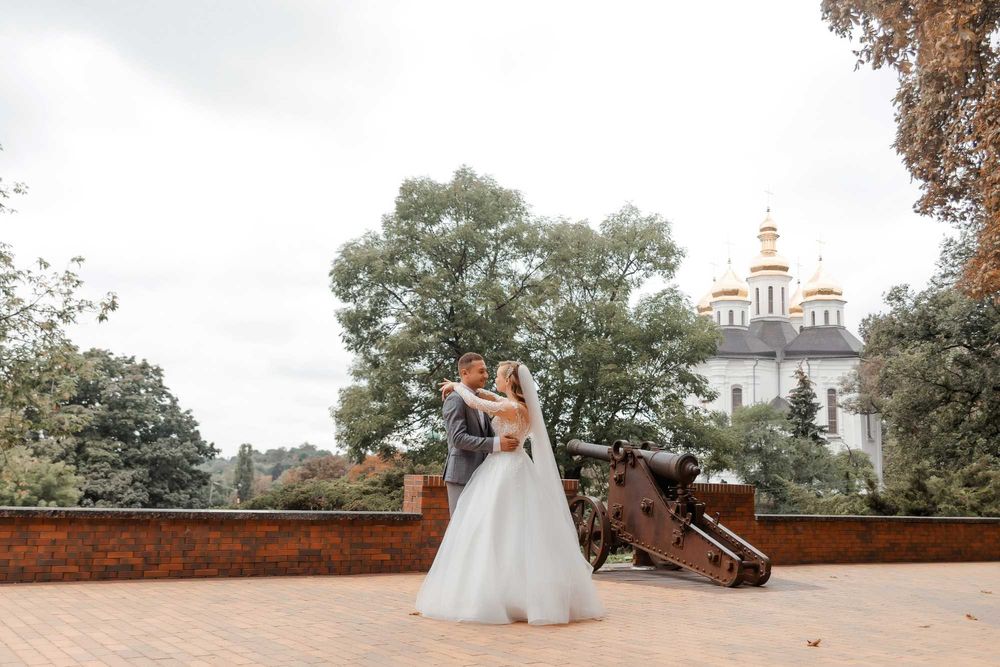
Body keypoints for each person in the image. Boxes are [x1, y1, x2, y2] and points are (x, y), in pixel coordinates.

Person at [415, 359, 606, 625]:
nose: (492, 378)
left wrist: (458, 386)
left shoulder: (508, 407)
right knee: (518, 531)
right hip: (517, 466)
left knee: (491, 529)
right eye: (485, 372)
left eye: (496, 375)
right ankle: (520, 592)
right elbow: (488, 398)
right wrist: (466, 388)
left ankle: (491, 594)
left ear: (509, 380)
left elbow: (477, 403)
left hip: (502, 469)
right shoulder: (523, 407)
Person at [441, 352, 520, 515]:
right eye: (481, 371)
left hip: (485, 473)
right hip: (462, 474)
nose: (486, 375)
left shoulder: (480, 399)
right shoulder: (455, 399)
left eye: (486, 371)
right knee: (461, 527)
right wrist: (498, 444)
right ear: (465, 373)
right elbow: (458, 439)